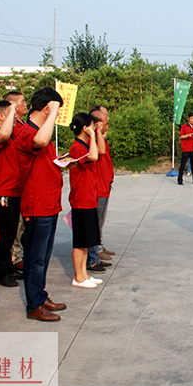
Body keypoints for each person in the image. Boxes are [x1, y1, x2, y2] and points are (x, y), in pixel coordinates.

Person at [14, 87, 67, 322]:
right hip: (37, 206)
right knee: (35, 258)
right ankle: (34, 304)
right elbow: (41, 140)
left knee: (43, 257)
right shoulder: (27, 132)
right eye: (54, 110)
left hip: (49, 204)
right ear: (47, 108)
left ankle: (40, 294)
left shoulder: (37, 133)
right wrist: (54, 111)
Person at [0, 100, 24, 287]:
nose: (15, 118)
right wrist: (11, 113)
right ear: (1, 116)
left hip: (14, 190)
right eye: (11, 114)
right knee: (4, 234)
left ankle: (9, 268)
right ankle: (0, 272)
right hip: (2, 191)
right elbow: (3, 134)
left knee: (11, 233)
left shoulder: (11, 136)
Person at [68, 112, 105, 288]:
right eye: (91, 126)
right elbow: (94, 156)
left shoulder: (84, 145)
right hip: (81, 199)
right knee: (80, 240)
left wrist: (93, 136)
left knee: (86, 240)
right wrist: (92, 135)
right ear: (85, 128)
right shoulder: (78, 147)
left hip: (89, 197)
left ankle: (84, 274)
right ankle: (78, 276)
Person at [86, 105, 116, 270]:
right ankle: (93, 254)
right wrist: (97, 132)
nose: (107, 124)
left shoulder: (99, 138)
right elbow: (101, 152)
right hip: (96, 188)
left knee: (99, 222)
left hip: (104, 185)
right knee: (95, 223)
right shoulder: (92, 141)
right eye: (105, 120)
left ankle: (97, 248)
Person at [4, 91, 28, 271]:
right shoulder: (10, 127)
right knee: (14, 225)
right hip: (10, 184)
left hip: (23, 181)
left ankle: (18, 254)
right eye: (22, 101)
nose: (25, 104)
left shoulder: (21, 125)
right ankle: (14, 257)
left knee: (21, 224)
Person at [177, 112, 193, 185]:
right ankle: (180, 179)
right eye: (191, 118)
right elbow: (181, 136)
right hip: (186, 148)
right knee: (183, 164)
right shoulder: (184, 126)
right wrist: (188, 135)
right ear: (188, 119)